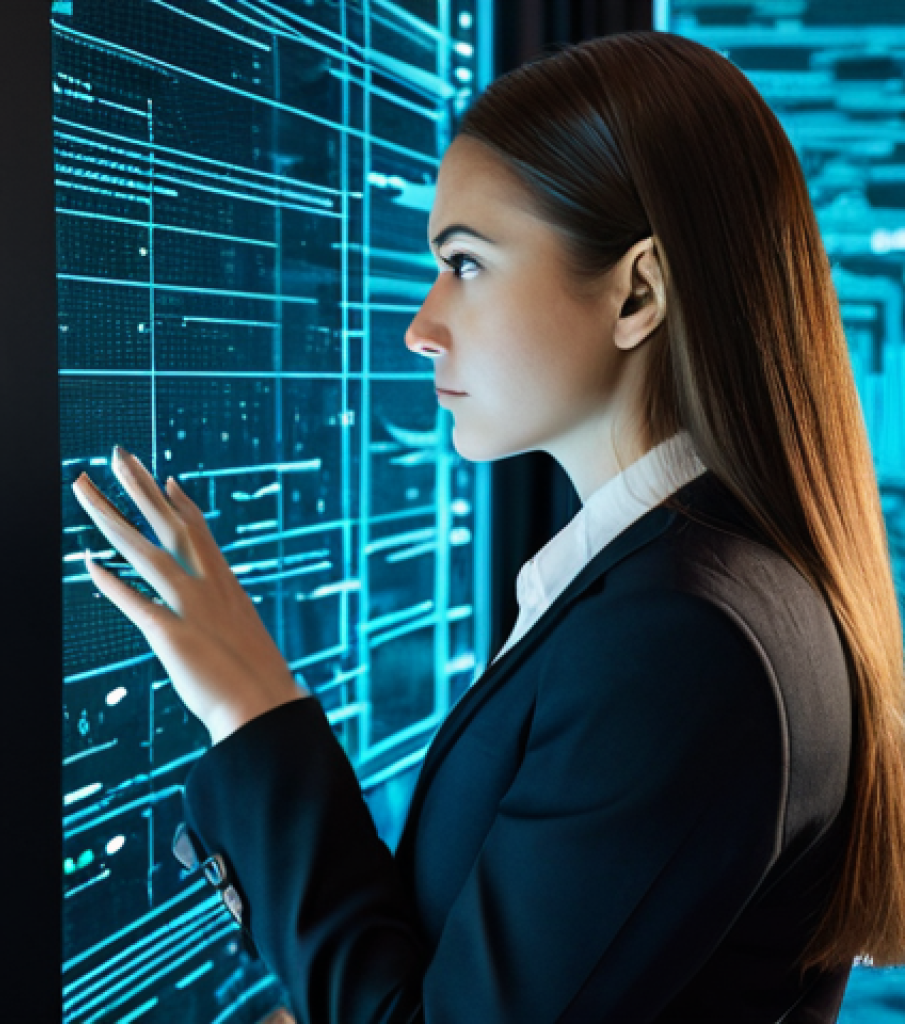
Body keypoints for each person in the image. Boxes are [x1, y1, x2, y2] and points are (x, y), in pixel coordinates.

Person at [71, 30, 905, 1023]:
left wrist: (252, 713)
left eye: (464, 263)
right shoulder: (706, 589)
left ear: (637, 292)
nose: (421, 325)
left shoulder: (676, 644)